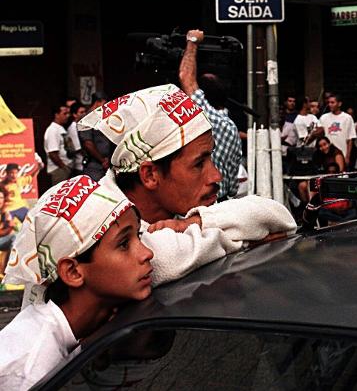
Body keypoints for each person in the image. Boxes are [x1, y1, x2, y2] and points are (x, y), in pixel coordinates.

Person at [77, 84, 297, 288]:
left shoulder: (179, 212)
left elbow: (279, 217)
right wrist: (247, 242)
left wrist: (196, 222)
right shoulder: (106, 233)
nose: (216, 176)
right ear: (150, 175)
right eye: (199, 164)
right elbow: (168, 258)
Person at [0, 175, 154, 389]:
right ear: (73, 272)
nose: (147, 253)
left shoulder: (82, 327)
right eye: (123, 244)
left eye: (139, 235)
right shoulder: (34, 370)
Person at [180, 29, 243, 201]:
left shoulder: (208, 116)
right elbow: (233, 184)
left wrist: (192, 42)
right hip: (223, 203)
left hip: (203, 205)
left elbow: (186, 76)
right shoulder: (231, 127)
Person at [79, 94, 115, 181]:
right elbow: (88, 143)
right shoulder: (86, 119)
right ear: (97, 102)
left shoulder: (102, 117)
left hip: (107, 162)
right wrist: (102, 160)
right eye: (105, 104)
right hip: (94, 164)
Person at [318, 93, 357, 168]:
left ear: (339, 104)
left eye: (332, 102)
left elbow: (350, 139)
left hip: (342, 153)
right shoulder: (324, 117)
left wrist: (347, 156)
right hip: (327, 155)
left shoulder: (347, 118)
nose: (330, 105)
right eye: (328, 102)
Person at [43, 105, 73, 184]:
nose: (68, 116)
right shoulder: (53, 130)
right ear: (56, 115)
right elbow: (52, 153)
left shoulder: (60, 128)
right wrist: (64, 167)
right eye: (65, 113)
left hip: (65, 167)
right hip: (59, 169)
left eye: (68, 113)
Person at [67, 101, 88, 176]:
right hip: (80, 165)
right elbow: (78, 147)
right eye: (81, 112)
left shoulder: (80, 126)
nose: (84, 114)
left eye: (85, 111)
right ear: (74, 114)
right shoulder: (73, 127)